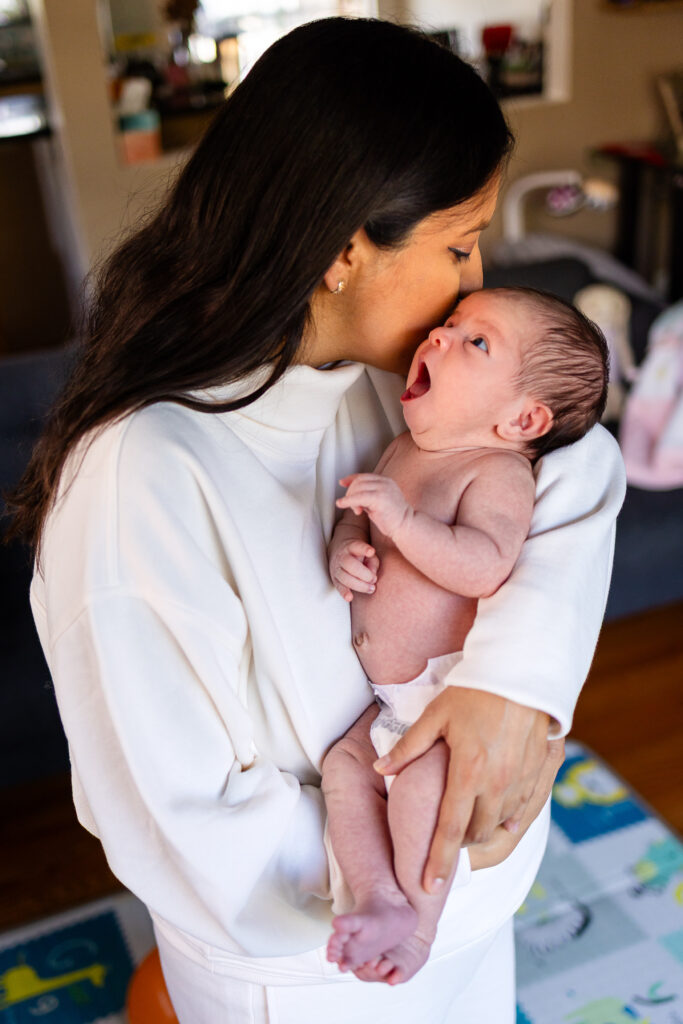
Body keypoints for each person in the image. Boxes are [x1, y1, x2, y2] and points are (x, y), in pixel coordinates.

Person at [6, 18, 625, 1024]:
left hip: (468, 924)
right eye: (458, 246)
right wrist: (432, 854)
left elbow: (575, 459)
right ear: (344, 250)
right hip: (315, 975)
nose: (476, 287)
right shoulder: (140, 477)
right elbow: (181, 820)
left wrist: (514, 688)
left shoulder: (394, 382)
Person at [323, 286, 609, 986]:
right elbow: (360, 523)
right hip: (391, 699)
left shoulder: (497, 472)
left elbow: (483, 566)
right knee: (343, 769)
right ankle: (374, 895)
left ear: (522, 419)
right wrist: (347, 544)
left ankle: (416, 928)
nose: (438, 337)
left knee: (422, 790)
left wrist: (399, 522)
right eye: (448, 326)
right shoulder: (400, 449)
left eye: (475, 342)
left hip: (445, 695)